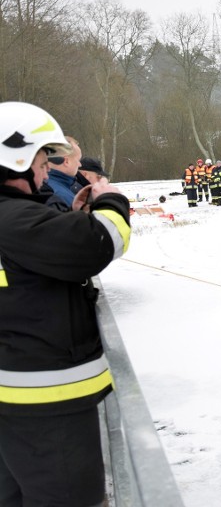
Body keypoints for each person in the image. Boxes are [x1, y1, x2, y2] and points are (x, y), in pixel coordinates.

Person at [0, 101, 132, 506]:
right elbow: (100, 242)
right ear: (16, 157)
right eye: (42, 159)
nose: (46, 168)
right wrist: (111, 200)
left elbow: (38, 257)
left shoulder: (16, 218)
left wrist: (69, 218)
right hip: (43, 404)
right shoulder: (12, 219)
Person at [41, 134, 83, 209]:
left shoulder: (40, 185)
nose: (80, 165)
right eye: (78, 160)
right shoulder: (62, 196)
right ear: (66, 161)